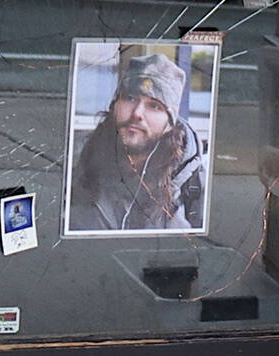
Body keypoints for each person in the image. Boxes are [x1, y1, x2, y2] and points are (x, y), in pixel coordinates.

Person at [67, 50, 207, 232]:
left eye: (154, 106)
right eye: (130, 98)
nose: (137, 113)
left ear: (170, 124)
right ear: (114, 105)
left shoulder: (191, 180)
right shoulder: (85, 162)